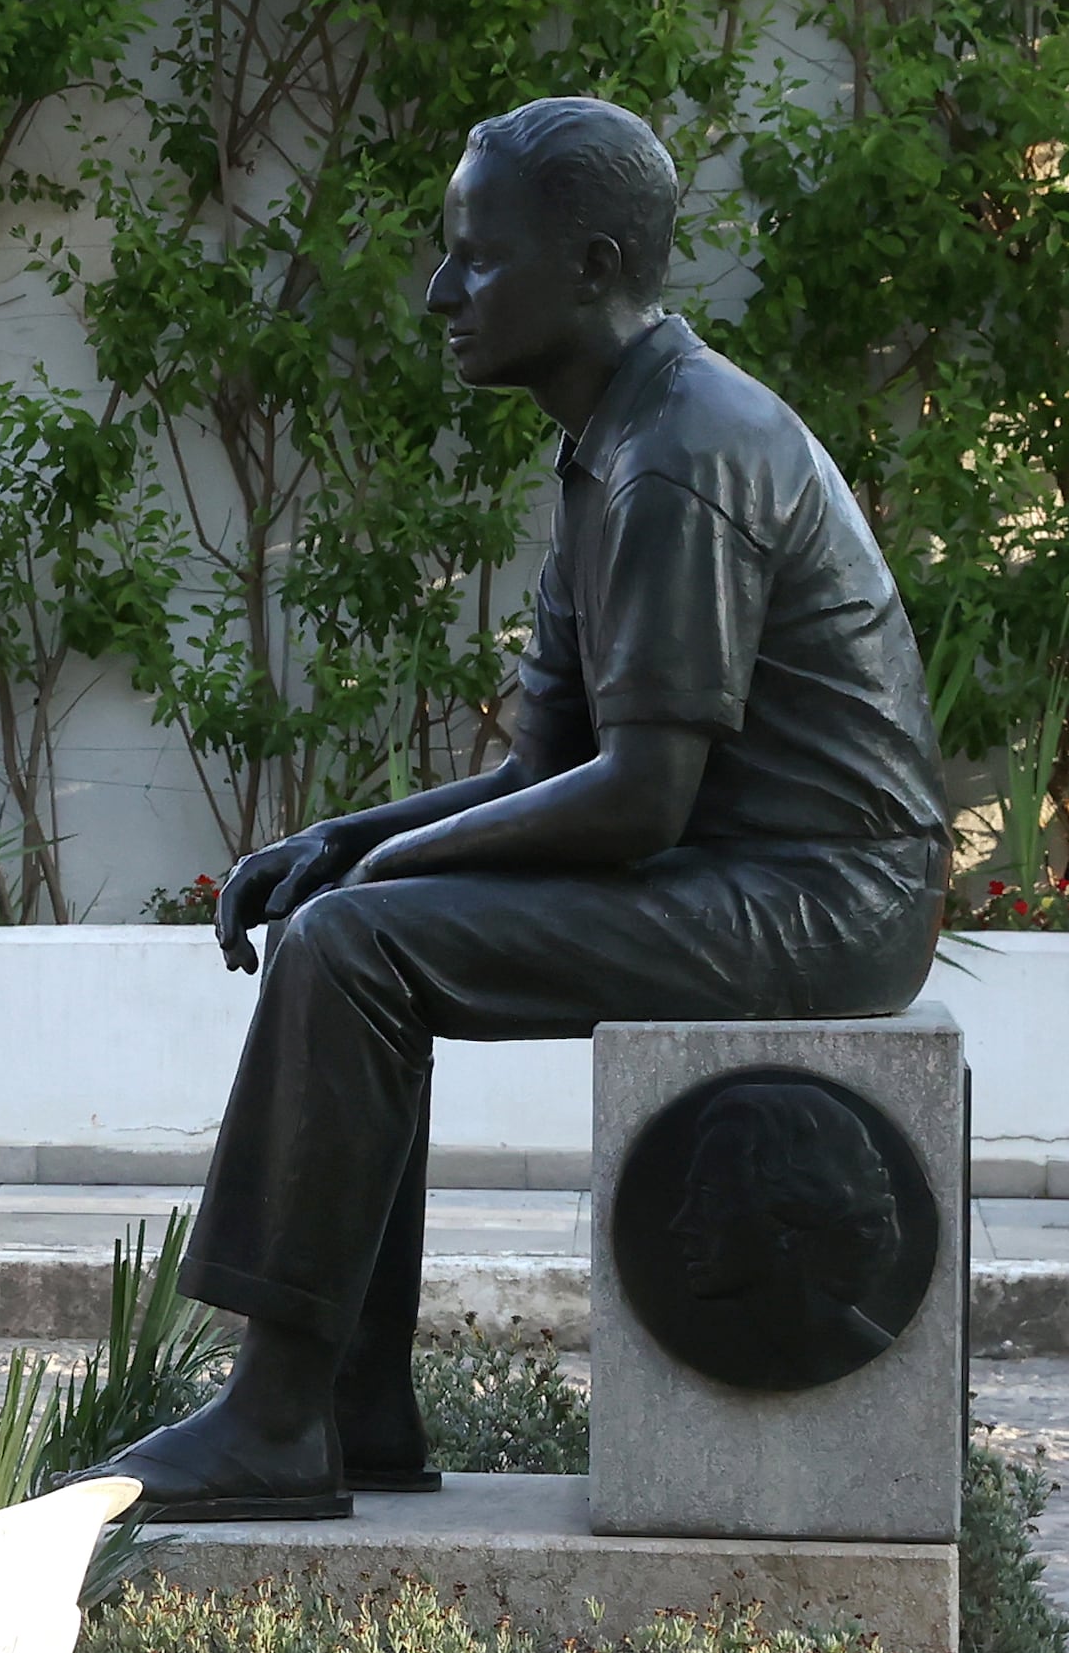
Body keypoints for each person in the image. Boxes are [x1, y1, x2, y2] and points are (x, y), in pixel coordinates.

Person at [96, 97, 950, 1519]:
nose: (441, 293)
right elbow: (545, 777)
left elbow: (638, 803)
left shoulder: (680, 453)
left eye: (478, 260)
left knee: (355, 950)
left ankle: (277, 1413)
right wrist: (346, 842)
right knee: (359, 929)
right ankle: (347, 1400)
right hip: (744, 869)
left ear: (598, 265)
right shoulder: (605, 449)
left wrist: (365, 891)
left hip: (827, 898)